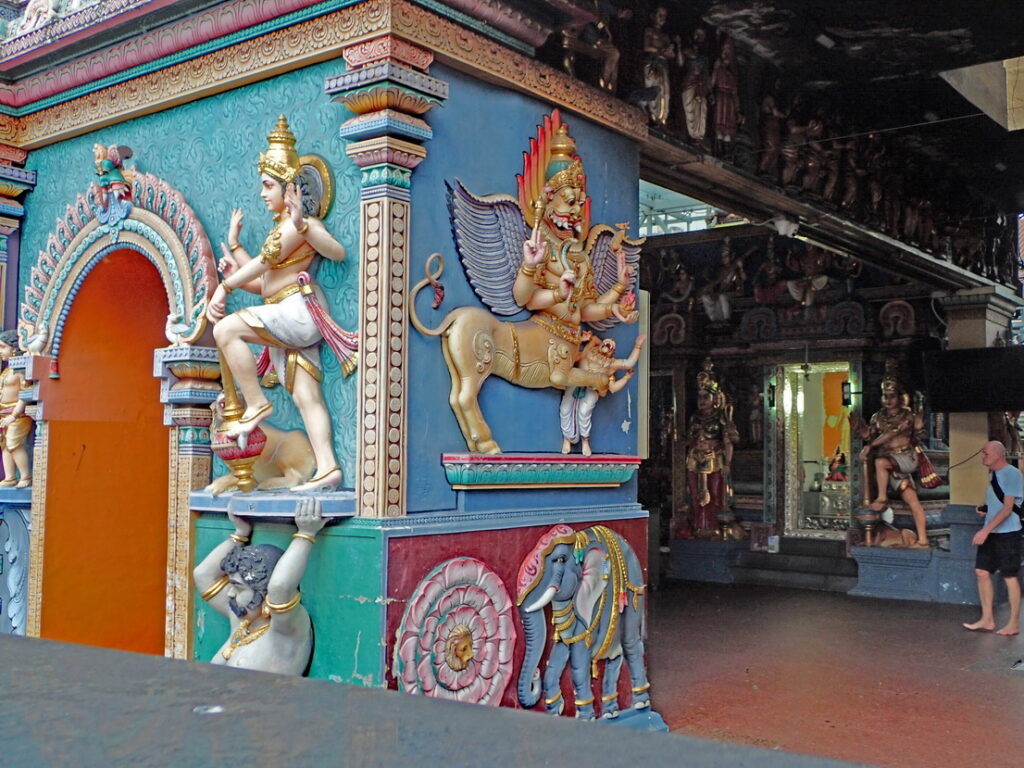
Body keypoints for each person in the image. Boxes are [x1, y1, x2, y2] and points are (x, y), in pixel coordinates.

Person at [207, 115, 356, 493]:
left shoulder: (298, 225)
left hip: (297, 313)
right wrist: (236, 253)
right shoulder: (284, 227)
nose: (263, 193)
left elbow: (335, 252)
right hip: (284, 313)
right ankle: (328, 467)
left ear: (290, 188)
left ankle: (256, 403)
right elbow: (266, 284)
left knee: (226, 329)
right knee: (306, 397)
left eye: (268, 185)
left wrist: (225, 286)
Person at [193, 498, 325, 673]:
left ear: (264, 593)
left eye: (238, 587)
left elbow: (280, 587)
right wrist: (240, 534)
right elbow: (203, 575)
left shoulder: (284, 632)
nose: (230, 593)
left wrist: (305, 535)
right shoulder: (243, 621)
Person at [852, 371, 939, 548]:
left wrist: (871, 446)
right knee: (912, 500)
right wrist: (861, 430)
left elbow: (893, 432)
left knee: (880, 462)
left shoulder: (906, 416)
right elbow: (871, 435)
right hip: (891, 464)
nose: (888, 400)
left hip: (905, 457)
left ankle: (882, 498)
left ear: (900, 397)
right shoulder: (877, 417)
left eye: (892, 396)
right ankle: (923, 540)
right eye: (885, 396)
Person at [963, 441, 1022, 636]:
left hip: (1008, 533)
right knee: (981, 571)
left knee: (1009, 576)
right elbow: (1000, 503)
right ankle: (987, 619)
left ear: (997, 454)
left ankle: (1013, 624)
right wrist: (986, 510)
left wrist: (985, 530)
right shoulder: (994, 475)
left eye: (985, 453)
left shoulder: (1012, 473)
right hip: (992, 532)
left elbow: (1008, 508)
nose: (983, 456)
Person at [560, 332, 645, 456]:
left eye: (611, 346)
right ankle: (567, 439)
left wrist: (637, 346)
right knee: (565, 409)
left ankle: (585, 440)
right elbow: (577, 354)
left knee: (584, 412)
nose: (608, 345)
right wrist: (585, 340)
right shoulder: (589, 351)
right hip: (575, 383)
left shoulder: (611, 364)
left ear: (613, 353)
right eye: (606, 343)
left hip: (592, 389)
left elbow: (627, 366)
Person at [685, 359, 739, 536]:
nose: (701, 401)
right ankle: (698, 526)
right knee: (695, 494)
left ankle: (714, 527)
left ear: (715, 399)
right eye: (699, 397)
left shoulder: (720, 417)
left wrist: (727, 462)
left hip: (714, 460)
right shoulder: (694, 418)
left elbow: (729, 441)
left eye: (705, 397)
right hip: (695, 459)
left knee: (715, 493)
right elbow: (689, 438)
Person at [0, 331, 30, 488]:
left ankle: (25, 476)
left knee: (13, 443)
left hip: (17, 414)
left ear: (13, 349)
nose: (0, 351)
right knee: (5, 444)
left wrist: (14, 414)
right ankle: (10, 477)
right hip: (3, 413)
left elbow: (25, 394)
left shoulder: (21, 371)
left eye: (2, 347)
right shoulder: (7, 371)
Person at [641, 6, 680, 126]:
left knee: (665, 93)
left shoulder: (665, 36)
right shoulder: (649, 31)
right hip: (652, 63)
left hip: (663, 66)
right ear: (653, 16)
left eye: (664, 16)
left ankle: (662, 118)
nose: (662, 18)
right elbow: (646, 47)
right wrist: (660, 51)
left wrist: (671, 49)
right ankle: (652, 115)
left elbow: (672, 55)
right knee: (653, 89)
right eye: (660, 15)